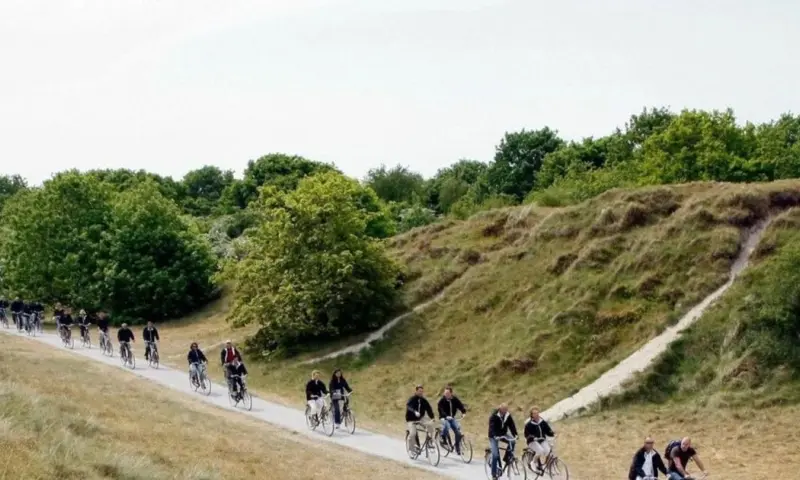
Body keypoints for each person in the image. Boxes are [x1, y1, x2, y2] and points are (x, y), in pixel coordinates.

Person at [488, 403, 518, 480]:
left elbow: (512, 425)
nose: (505, 411)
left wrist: (515, 435)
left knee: (512, 441)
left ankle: (507, 458)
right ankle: (494, 474)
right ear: (500, 409)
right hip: (493, 436)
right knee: (495, 455)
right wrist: (495, 436)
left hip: (503, 434)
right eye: (504, 410)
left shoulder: (507, 415)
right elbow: (492, 427)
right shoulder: (494, 415)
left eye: (506, 410)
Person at [524, 406, 555, 473]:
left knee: (548, 451)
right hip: (532, 441)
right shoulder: (529, 424)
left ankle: (545, 466)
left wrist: (552, 433)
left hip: (541, 440)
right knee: (540, 451)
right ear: (532, 415)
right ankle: (533, 462)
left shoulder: (542, 421)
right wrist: (533, 437)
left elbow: (548, 430)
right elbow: (527, 435)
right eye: (534, 413)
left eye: (537, 413)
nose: (536, 415)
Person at [405, 385, 436, 454]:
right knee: (413, 433)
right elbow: (408, 406)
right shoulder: (412, 399)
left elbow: (429, 409)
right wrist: (414, 411)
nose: (421, 393)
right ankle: (411, 448)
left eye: (422, 391)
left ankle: (430, 441)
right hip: (411, 419)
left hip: (420, 418)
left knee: (430, 426)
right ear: (416, 391)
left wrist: (432, 418)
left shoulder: (424, 400)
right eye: (419, 391)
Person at [437, 386, 466, 454]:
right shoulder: (441, 401)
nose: (446, 394)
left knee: (458, 432)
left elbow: (460, 405)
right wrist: (446, 416)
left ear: (451, 393)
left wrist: (463, 412)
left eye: (447, 393)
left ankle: (457, 447)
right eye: (445, 393)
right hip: (443, 418)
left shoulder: (455, 399)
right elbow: (441, 410)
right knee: (447, 426)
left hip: (452, 418)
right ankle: (443, 437)